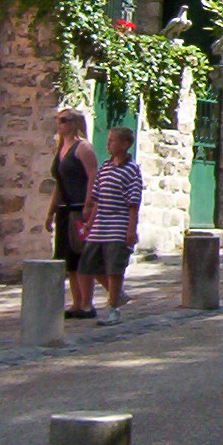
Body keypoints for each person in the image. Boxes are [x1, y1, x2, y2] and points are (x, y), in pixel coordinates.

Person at [80, 125, 142, 325]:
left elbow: (133, 202)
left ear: (124, 144)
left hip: (119, 225)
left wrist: (131, 230)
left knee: (114, 269)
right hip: (100, 225)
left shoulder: (132, 170)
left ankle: (113, 307)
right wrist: (90, 221)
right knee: (89, 264)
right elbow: (97, 198)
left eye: (112, 141)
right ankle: (118, 295)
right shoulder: (105, 167)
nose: (107, 144)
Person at [44, 108, 99, 319]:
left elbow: (92, 176)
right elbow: (58, 183)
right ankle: (76, 302)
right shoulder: (61, 149)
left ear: (75, 123)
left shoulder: (83, 148)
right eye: (58, 120)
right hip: (64, 209)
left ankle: (87, 303)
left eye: (64, 120)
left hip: (78, 208)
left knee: (81, 256)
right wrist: (50, 212)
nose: (60, 124)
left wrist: (88, 204)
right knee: (68, 259)